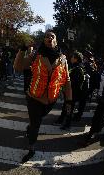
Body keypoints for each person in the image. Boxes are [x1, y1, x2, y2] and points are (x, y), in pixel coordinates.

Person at [14, 30, 72, 162]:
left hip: (51, 100)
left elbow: (67, 81)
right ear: (44, 40)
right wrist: (23, 48)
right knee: (36, 124)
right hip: (34, 97)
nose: (49, 38)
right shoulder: (36, 54)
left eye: (52, 36)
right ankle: (31, 147)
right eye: (46, 36)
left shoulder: (63, 59)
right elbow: (18, 66)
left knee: (37, 120)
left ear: (56, 40)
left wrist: (69, 101)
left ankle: (30, 128)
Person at [55, 51, 85, 130]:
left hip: (72, 93)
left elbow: (74, 83)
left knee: (69, 109)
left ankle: (67, 124)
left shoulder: (78, 69)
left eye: (72, 57)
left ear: (76, 59)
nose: (71, 58)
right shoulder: (74, 67)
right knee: (65, 107)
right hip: (69, 92)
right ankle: (61, 120)